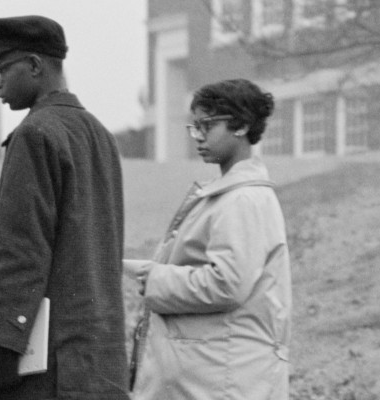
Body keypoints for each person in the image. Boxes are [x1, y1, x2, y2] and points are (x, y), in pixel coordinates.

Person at [0, 15, 131, 400]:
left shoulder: (35, 134)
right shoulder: (100, 134)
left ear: (35, 66)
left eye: (3, 67)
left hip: (47, 366)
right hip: (98, 363)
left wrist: (3, 349)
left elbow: (21, 250)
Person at [125, 79, 292, 400]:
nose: (199, 136)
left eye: (208, 125)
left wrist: (155, 278)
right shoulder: (230, 194)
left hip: (225, 379)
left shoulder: (243, 199)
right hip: (214, 374)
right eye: (195, 126)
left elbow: (227, 283)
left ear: (242, 125)